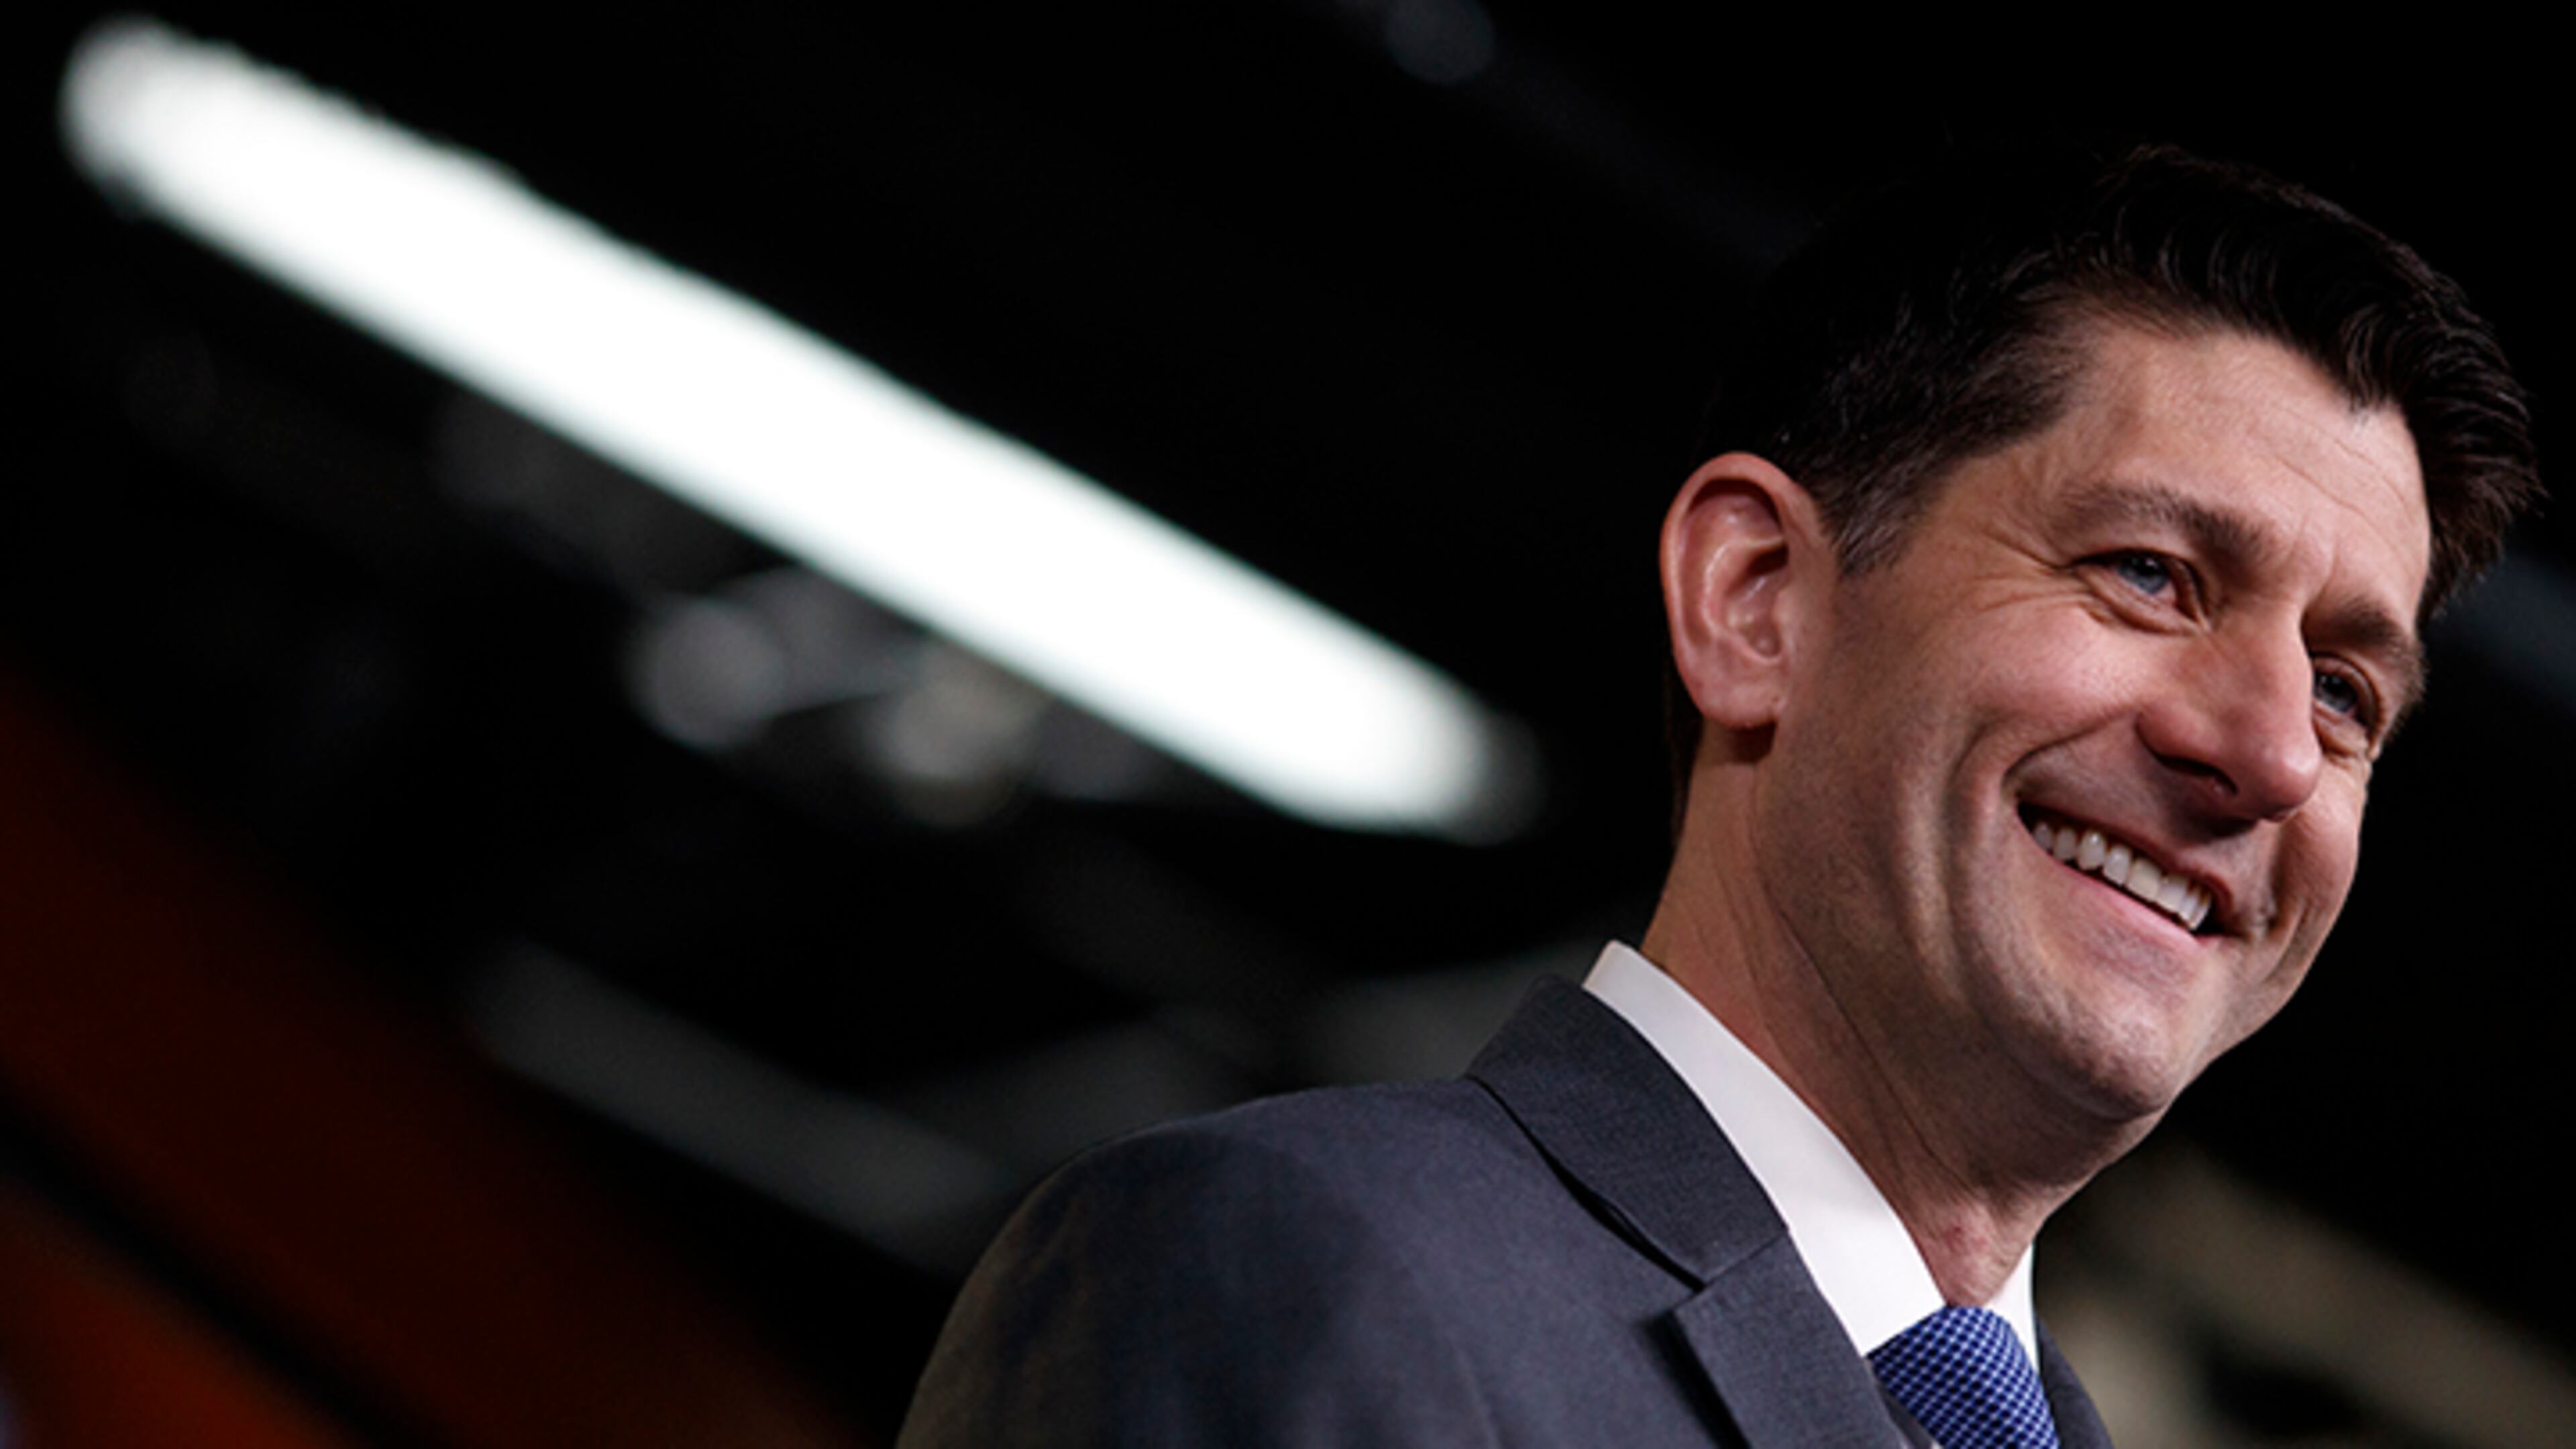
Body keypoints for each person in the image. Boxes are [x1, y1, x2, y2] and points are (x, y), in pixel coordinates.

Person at [894, 144, 2540, 1447]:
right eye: (2150, 575)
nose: (2264, 754)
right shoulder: (1293, 1268)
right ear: (1758, 601)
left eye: (2344, 692)